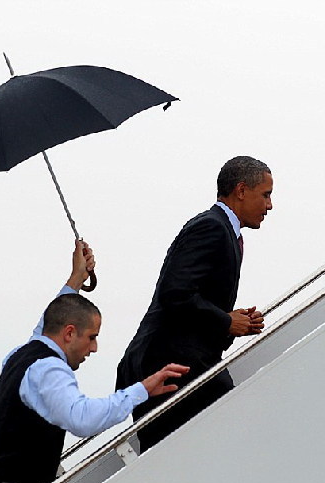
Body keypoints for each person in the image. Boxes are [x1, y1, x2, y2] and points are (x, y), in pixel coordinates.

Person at [0, 240, 189, 483]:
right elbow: (80, 418)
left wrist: (75, 280)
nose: (93, 348)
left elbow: (47, 324)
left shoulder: (22, 355)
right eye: (91, 337)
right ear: (70, 333)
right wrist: (141, 389)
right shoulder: (48, 369)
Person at [116, 155, 273, 451]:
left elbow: (187, 298)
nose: (269, 206)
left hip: (183, 362)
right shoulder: (211, 227)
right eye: (265, 195)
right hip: (169, 365)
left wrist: (231, 322)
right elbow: (175, 293)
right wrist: (226, 321)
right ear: (241, 190)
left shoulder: (223, 230)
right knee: (229, 435)